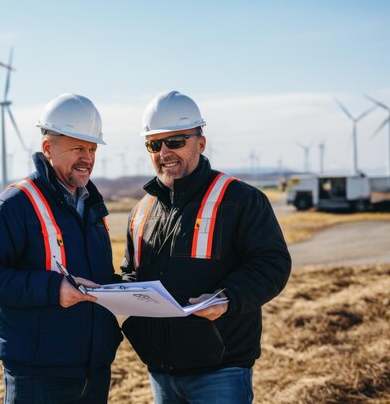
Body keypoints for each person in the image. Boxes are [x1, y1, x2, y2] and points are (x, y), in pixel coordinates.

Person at [120, 90, 291, 403]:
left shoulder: (241, 200)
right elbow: (132, 275)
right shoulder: (141, 211)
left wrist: (227, 298)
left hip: (220, 372)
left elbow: (272, 264)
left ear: (201, 142)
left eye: (175, 141)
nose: (164, 152)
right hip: (160, 372)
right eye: (154, 144)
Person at [0, 93, 123, 403]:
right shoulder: (15, 204)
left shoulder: (92, 207)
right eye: (77, 147)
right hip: (39, 376)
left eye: (91, 148)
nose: (87, 157)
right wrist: (54, 289)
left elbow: (94, 277)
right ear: (48, 148)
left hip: (94, 370)